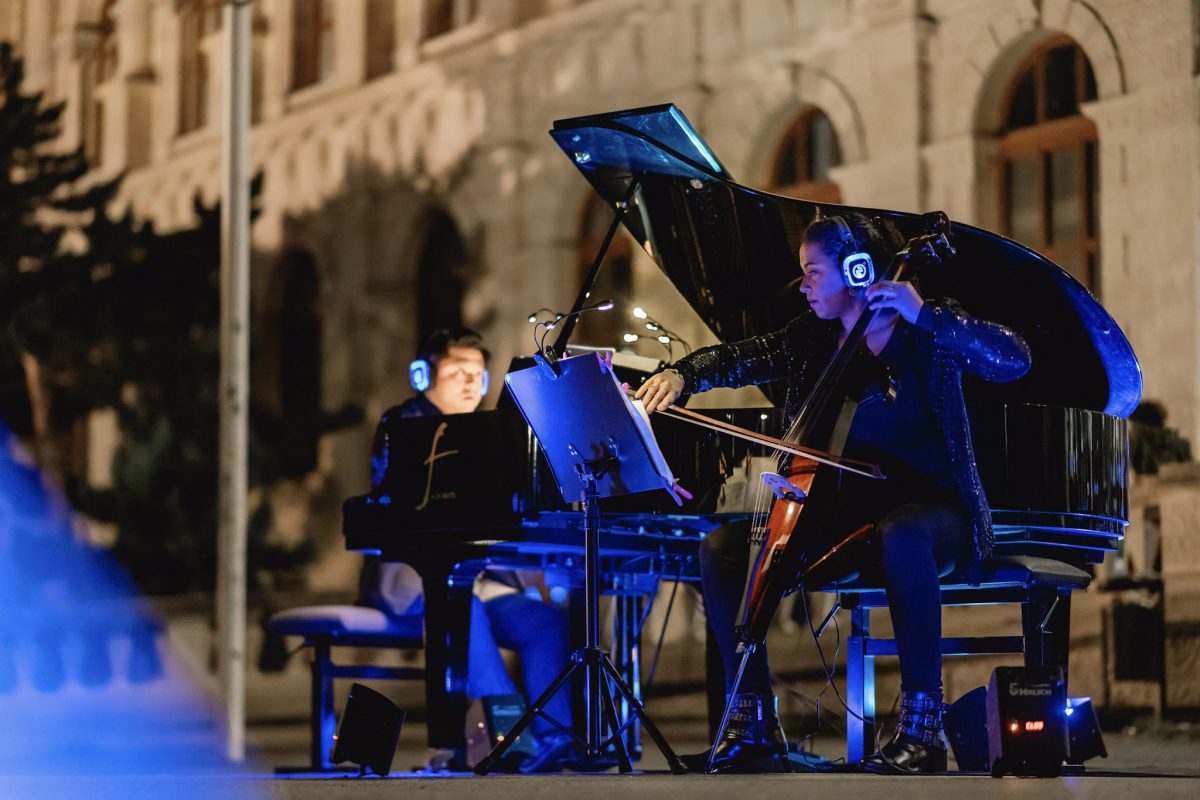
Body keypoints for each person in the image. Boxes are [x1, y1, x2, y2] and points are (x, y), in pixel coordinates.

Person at [636, 213, 1031, 774]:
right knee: (722, 549)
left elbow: (1013, 359)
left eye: (812, 271)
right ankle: (753, 726)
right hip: (844, 519)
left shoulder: (926, 332)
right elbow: (740, 357)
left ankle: (923, 729)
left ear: (857, 269)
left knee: (903, 531)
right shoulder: (811, 337)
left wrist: (926, 314)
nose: (803, 285)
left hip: (937, 514)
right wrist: (683, 374)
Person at [357, 326, 574, 773]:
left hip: (482, 576)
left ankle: (556, 737)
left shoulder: (495, 432)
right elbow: (396, 501)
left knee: (545, 619)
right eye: (457, 371)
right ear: (423, 375)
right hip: (414, 578)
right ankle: (512, 739)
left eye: (478, 372)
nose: (472, 381)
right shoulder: (402, 425)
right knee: (461, 606)